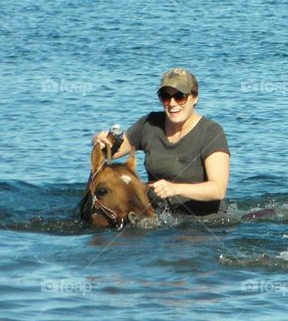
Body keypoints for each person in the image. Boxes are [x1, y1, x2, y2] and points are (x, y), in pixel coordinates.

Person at [93, 68, 230, 217]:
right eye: (165, 97)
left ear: (195, 97)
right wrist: (101, 141)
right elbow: (112, 153)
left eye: (180, 96)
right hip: (159, 216)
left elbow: (218, 189)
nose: (172, 103)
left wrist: (175, 189)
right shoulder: (149, 123)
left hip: (204, 221)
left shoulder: (211, 132)